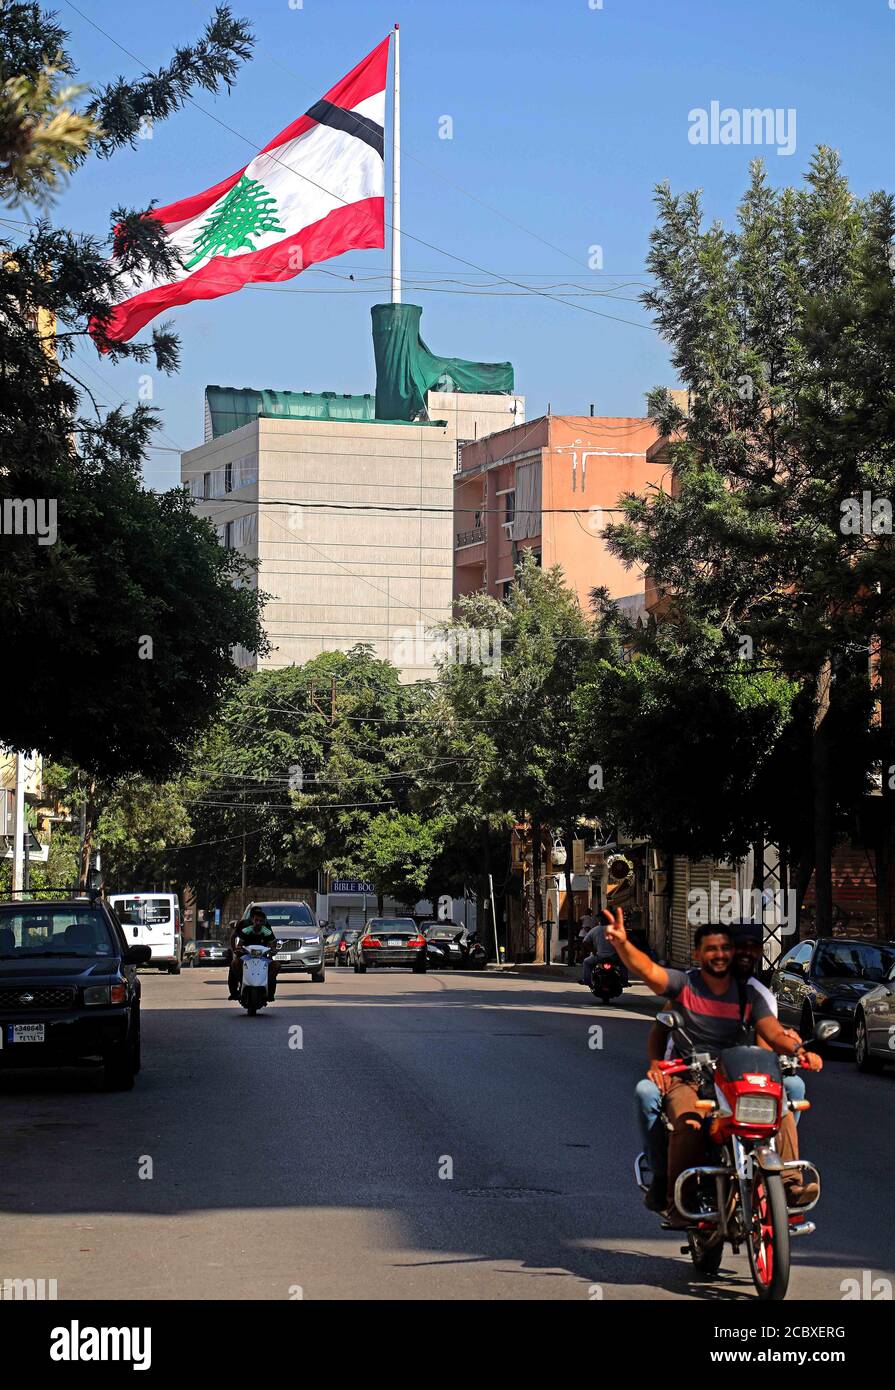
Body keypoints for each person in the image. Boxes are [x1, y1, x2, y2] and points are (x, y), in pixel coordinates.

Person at [604, 907, 818, 1223]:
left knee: (781, 1112)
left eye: (724, 949)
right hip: (690, 1078)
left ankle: (788, 1187)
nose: (719, 955)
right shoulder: (683, 985)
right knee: (688, 1124)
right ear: (698, 953)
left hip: (737, 1079)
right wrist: (622, 944)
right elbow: (649, 970)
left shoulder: (751, 994)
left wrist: (798, 1050)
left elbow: (772, 1032)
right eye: (711, 949)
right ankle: (678, 1200)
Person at [228, 907, 279, 1001]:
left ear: (264, 921)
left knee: (276, 966)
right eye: (256, 919)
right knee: (234, 964)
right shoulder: (245, 927)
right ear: (252, 918)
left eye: (261, 920)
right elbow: (237, 940)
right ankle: (235, 990)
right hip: (247, 955)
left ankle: (270, 992)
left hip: (262, 956)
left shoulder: (266, 928)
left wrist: (272, 951)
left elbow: (272, 942)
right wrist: (236, 950)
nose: (258, 922)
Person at [579, 909, 628, 989]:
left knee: (586, 962)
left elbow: (585, 942)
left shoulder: (595, 930)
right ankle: (624, 981)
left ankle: (587, 980)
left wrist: (593, 950)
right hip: (614, 957)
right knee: (624, 964)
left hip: (599, 956)